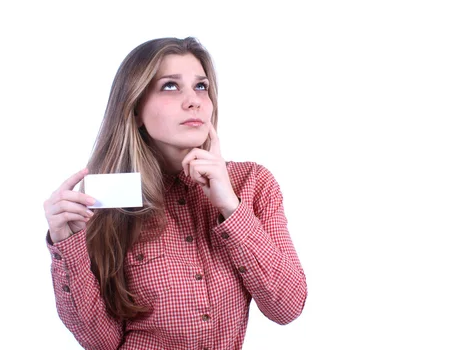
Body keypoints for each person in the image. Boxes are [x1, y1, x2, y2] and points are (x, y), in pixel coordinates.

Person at [43, 37, 307, 350]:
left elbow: (287, 307)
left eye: (201, 86)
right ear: (136, 108)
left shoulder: (253, 183)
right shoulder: (104, 199)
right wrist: (67, 244)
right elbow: (101, 342)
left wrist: (231, 209)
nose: (194, 101)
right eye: (170, 86)